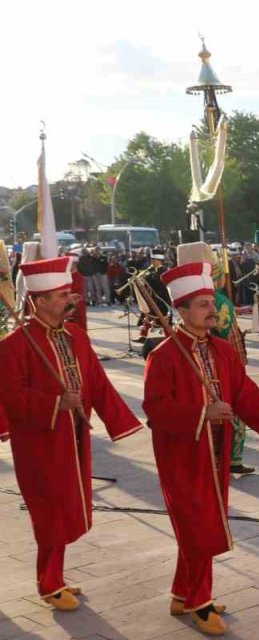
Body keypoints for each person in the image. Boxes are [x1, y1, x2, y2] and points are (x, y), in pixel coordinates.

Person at [142, 262, 259, 635]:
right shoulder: (164, 355)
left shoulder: (221, 350)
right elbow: (155, 411)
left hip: (216, 456)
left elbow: (244, 391)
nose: (213, 309)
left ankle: (181, 593)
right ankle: (199, 603)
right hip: (183, 458)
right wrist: (203, 413)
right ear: (182, 310)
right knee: (198, 529)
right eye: (204, 304)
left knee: (201, 527)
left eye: (211, 302)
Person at [0, 256, 142, 611]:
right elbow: (12, 397)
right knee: (48, 512)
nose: (71, 299)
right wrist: (56, 403)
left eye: (69, 293)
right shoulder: (14, 345)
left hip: (74, 435)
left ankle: (58, 577)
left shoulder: (76, 335)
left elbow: (97, 380)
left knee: (66, 508)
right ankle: (48, 584)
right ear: (40, 301)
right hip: (40, 442)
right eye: (62, 295)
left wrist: (120, 421)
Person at [177, 242, 255, 476]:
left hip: (213, 359)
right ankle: (231, 457)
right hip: (223, 362)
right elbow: (221, 331)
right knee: (233, 408)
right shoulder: (217, 300)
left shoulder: (202, 298)